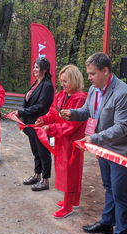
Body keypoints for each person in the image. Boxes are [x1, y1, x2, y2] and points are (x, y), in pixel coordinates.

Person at [60, 52, 127, 234]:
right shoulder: (94, 89)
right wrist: (71, 113)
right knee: (109, 187)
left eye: (92, 73)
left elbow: (122, 127)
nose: (88, 77)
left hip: (122, 150)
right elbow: (88, 112)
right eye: (88, 73)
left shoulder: (123, 93)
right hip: (104, 146)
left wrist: (94, 138)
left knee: (120, 193)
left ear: (105, 71)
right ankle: (107, 222)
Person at [36, 65, 87, 218]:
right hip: (61, 139)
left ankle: (68, 205)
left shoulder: (80, 98)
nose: (63, 85)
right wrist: (43, 119)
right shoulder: (61, 95)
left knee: (70, 172)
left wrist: (50, 128)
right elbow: (53, 111)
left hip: (72, 140)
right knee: (64, 169)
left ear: (74, 80)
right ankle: (73, 200)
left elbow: (71, 125)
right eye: (62, 81)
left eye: (66, 81)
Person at [11, 57, 54, 191]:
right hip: (30, 124)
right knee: (35, 151)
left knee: (43, 152)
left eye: (38, 67)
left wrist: (22, 112)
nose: (35, 70)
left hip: (40, 123)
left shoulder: (47, 85)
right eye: (34, 67)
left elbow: (41, 106)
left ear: (45, 70)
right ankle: (37, 174)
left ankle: (45, 180)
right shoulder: (36, 83)